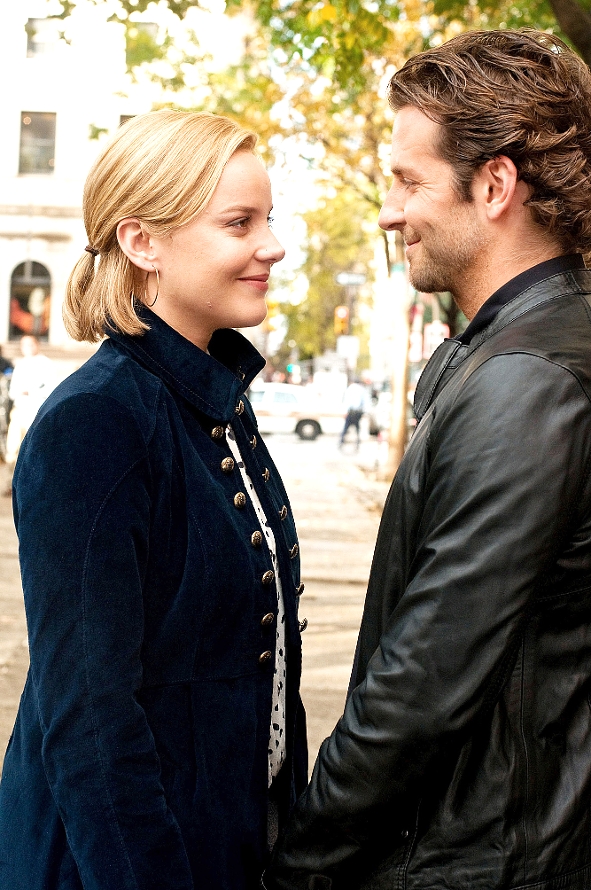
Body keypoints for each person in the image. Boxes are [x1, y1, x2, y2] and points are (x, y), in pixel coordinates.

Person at [265, 29, 591, 890]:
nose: (387, 211)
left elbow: (422, 683)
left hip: (475, 860)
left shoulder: (527, 379)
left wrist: (300, 864)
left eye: (409, 182)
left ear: (494, 186)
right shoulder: (525, 349)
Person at [0, 110, 308, 890]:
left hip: (227, 844)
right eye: (239, 222)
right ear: (142, 241)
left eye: (268, 218)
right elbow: (88, 720)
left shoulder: (217, 401)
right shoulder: (96, 421)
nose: (272, 245)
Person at [3, 334, 56, 492]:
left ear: (37, 344)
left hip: (36, 411)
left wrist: (30, 392)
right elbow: (13, 391)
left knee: (34, 447)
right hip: (20, 410)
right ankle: (12, 483)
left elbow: (50, 388)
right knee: (13, 448)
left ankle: (33, 485)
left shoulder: (46, 364)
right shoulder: (20, 365)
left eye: (30, 344)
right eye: (24, 345)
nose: (27, 348)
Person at [338, 379, 368, 449]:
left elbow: (346, 402)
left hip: (350, 412)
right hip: (358, 412)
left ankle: (341, 442)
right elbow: (365, 402)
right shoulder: (362, 389)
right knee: (357, 428)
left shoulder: (350, 389)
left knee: (346, 428)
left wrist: (345, 411)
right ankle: (357, 443)